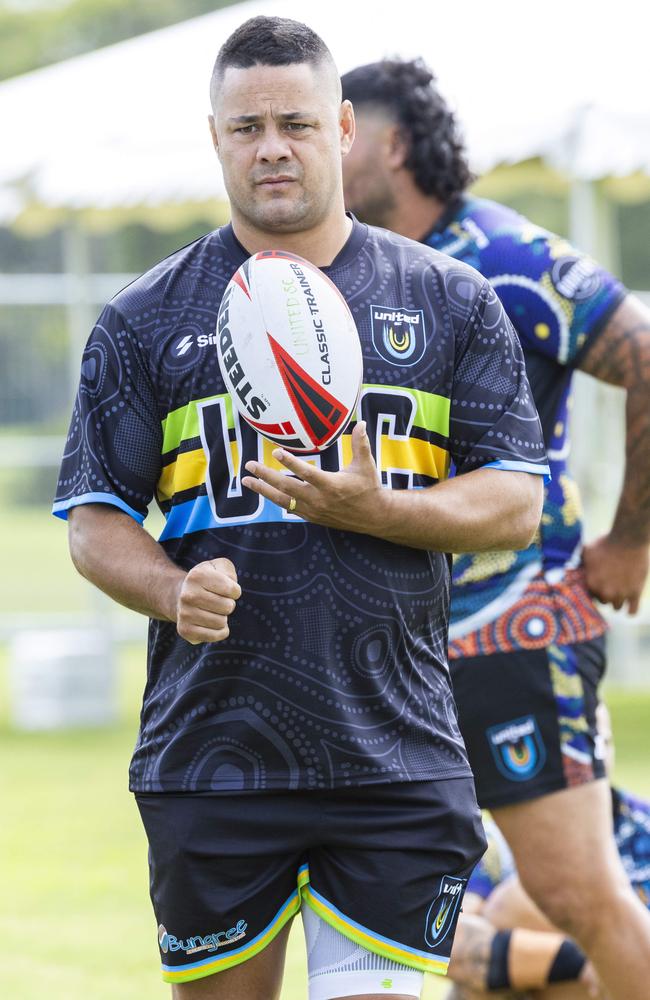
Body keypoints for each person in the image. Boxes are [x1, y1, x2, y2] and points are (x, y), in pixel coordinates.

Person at [53, 18, 548, 1000]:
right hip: (212, 756)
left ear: (343, 128)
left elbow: (515, 501)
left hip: (393, 757)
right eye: (246, 128)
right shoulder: (143, 318)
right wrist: (170, 585)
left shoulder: (450, 300)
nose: (270, 145)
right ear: (213, 138)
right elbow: (93, 519)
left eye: (294, 122)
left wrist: (379, 509)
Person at [340, 57, 650, 1000]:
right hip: (390, 647)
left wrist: (632, 538)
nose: (314, 152)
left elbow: (645, 357)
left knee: (573, 892)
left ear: (390, 144)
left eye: (336, 131)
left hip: (519, 631)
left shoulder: (510, 259)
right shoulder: (342, 276)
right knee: (382, 910)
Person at [447, 705, 650, 1000]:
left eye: (590, 745)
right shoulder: (495, 843)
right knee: (516, 906)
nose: (580, 765)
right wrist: (604, 957)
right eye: (563, 748)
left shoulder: (643, 829)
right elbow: (450, 945)